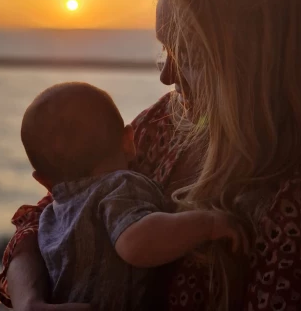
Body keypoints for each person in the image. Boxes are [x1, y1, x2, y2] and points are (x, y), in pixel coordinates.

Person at [0, 0, 301, 311]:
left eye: (187, 54)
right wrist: (31, 302)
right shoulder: (166, 124)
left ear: (250, 62)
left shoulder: (287, 197)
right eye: (165, 50)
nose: (168, 77)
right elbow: (46, 213)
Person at [20, 81, 245, 311]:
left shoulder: (50, 216)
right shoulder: (121, 185)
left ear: (43, 181)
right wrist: (207, 224)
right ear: (129, 141)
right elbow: (136, 242)